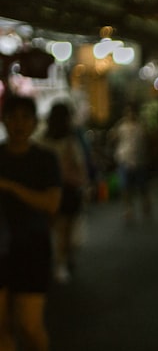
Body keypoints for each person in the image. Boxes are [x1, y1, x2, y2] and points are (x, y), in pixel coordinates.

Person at [0, 94, 62, 351]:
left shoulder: (45, 159)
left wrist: (9, 187)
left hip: (32, 248)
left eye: (26, 117)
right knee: (1, 327)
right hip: (1, 250)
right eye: (13, 117)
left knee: (29, 326)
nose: (19, 123)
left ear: (34, 123)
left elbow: (51, 204)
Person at [35, 100, 89, 282]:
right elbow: (81, 167)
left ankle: (58, 261)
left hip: (48, 190)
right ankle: (62, 261)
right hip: (67, 191)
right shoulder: (70, 140)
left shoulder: (42, 140)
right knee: (64, 228)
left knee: (56, 228)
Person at [109, 104, 152, 224]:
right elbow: (112, 137)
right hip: (124, 159)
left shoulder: (141, 126)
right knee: (125, 187)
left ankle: (145, 204)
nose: (130, 114)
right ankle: (128, 209)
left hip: (139, 160)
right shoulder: (121, 126)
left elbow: (147, 141)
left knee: (142, 186)